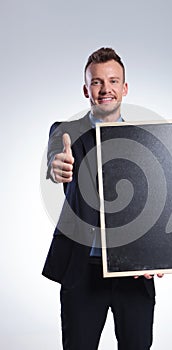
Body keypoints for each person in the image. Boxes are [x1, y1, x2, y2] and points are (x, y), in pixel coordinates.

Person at [42, 47, 163, 350]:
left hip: (133, 271)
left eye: (113, 81)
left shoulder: (146, 142)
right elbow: (57, 161)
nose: (105, 89)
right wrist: (58, 166)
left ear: (124, 88)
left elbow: (156, 205)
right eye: (97, 82)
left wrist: (162, 252)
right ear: (86, 89)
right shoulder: (65, 132)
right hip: (82, 270)